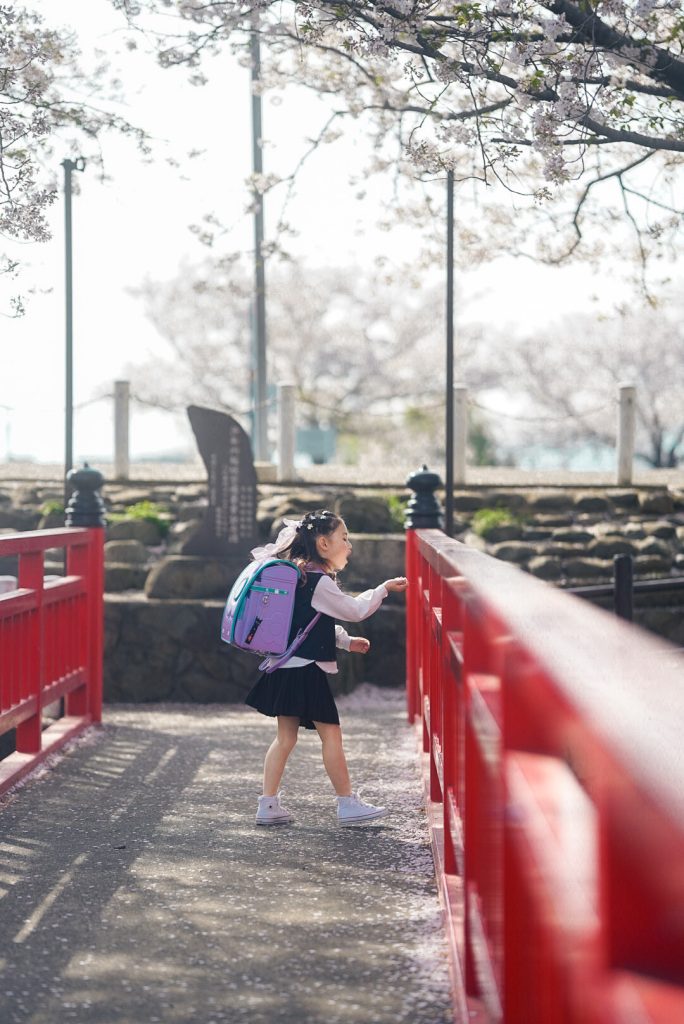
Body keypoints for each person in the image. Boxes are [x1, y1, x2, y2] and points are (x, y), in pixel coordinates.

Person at [244, 508, 408, 827]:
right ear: (323, 543)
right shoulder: (317, 580)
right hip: (306, 670)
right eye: (343, 538)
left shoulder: (297, 574)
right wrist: (384, 589)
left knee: (285, 738)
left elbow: (305, 624)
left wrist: (346, 642)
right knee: (331, 735)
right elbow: (354, 609)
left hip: (284, 666)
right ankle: (347, 803)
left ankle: (268, 804)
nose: (348, 545)